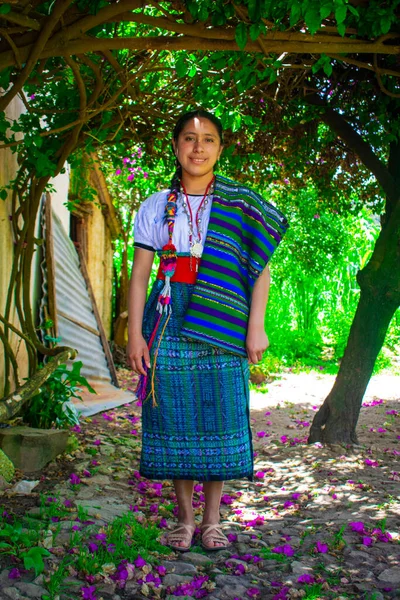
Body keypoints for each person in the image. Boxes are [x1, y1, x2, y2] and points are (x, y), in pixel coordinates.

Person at [127, 109, 288, 551]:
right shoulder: (155, 206)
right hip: (167, 317)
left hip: (222, 317)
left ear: (220, 148)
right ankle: (184, 518)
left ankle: (213, 519)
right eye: (189, 138)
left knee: (219, 415)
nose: (198, 147)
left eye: (208, 139)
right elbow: (140, 274)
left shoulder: (239, 205)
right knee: (174, 416)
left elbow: (260, 271)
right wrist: (135, 334)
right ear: (176, 146)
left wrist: (256, 328)